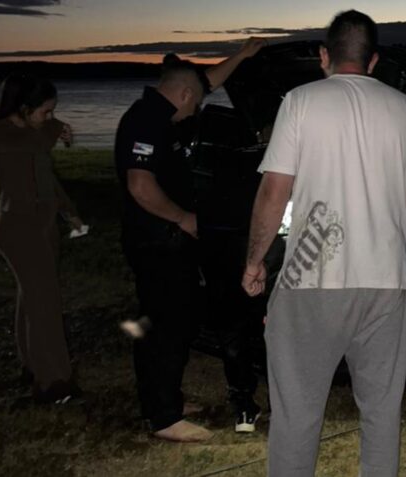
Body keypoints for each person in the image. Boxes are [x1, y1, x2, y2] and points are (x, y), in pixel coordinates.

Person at [240, 10, 406, 476]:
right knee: (381, 414)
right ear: (373, 61)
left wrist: (254, 262)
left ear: (324, 55)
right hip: (385, 284)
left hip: (312, 280)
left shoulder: (300, 101)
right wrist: (378, 183)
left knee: (297, 414)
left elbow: (273, 191)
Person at [114, 37, 266, 442]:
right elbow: (140, 185)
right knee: (166, 324)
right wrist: (184, 219)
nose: (196, 109)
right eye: (195, 103)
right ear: (182, 95)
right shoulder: (146, 120)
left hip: (169, 241)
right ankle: (164, 418)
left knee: (172, 320)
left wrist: (243, 54)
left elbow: (204, 82)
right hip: (156, 241)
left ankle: (164, 399)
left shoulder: (165, 109)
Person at [0, 73, 86, 404]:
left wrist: (70, 213)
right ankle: (54, 383)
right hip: (17, 227)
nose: (50, 117)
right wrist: (55, 127)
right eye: (45, 111)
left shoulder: (35, 133)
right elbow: (31, 144)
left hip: (43, 224)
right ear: (23, 107)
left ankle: (32, 366)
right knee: (45, 305)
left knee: (32, 299)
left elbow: (47, 179)